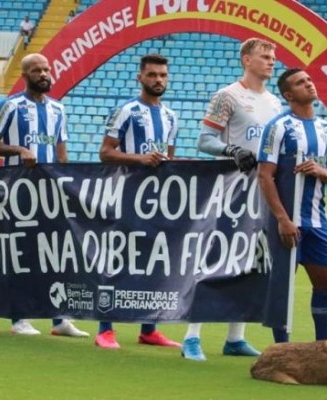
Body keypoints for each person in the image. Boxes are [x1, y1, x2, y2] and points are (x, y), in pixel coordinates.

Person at [182, 37, 282, 362]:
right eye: (264, 56)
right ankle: (192, 336)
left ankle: (235, 337)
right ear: (246, 60)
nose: (270, 61)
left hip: (262, 191)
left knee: (251, 259)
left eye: (273, 56)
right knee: (215, 258)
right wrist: (232, 150)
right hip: (229, 190)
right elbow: (204, 140)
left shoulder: (275, 103)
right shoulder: (227, 96)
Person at [0, 53, 89, 338]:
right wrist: (18, 150)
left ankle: (59, 319)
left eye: (46, 69)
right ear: (25, 74)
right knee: (25, 253)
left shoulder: (58, 109)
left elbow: (61, 150)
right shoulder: (10, 106)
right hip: (20, 190)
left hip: (51, 191)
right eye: (37, 70)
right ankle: (20, 317)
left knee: (56, 253)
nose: (44, 74)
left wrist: (67, 183)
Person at [94, 53, 181, 350]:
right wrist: (139, 158)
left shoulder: (171, 116)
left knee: (155, 261)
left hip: (157, 201)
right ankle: (105, 329)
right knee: (117, 259)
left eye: (163, 75)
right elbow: (105, 152)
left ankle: (149, 328)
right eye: (152, 75)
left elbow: (169, 157)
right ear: (140, 77)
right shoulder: (126, 111)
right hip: (125, 195)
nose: (158, 80)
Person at [257, 68, 327, 344]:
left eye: (308, 80)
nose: (308, 84)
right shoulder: (278, 127)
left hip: (318, 222)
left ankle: (323, 347)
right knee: (283, 285)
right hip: (287, 222)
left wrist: (320, 171)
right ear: (288, 94)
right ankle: (281, 348)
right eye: (300, 82)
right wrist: (282, 219)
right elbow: (264, 175)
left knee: (326, 283)